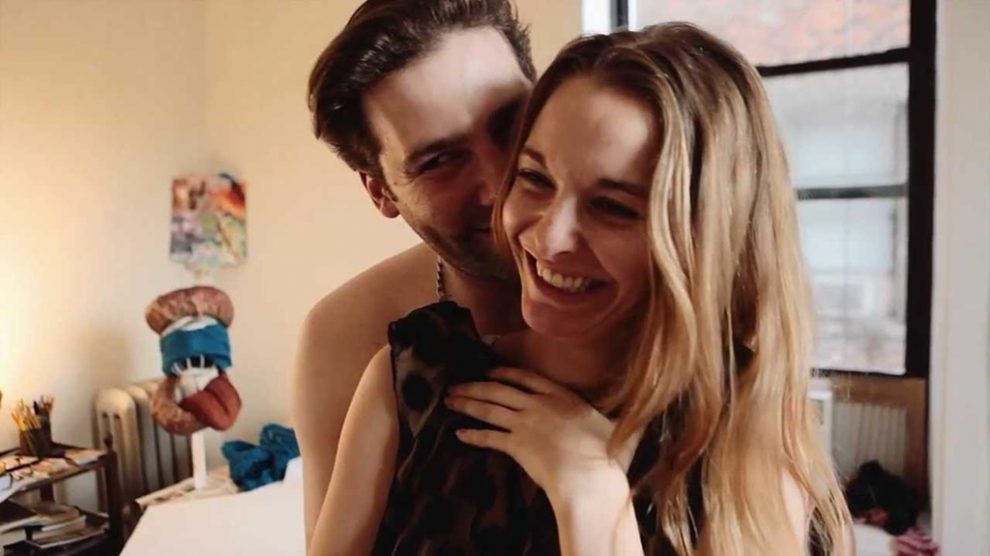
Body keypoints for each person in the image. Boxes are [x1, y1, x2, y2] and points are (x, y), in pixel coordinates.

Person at [311, 22, 852, 555]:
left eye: (612, 207)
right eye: (535, 177)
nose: (547, 237)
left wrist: (591, 503)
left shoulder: (741, 445)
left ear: (703, 236)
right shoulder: (409, 378)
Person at [293, 0, 536, 547]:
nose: (499, 185)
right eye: (439, 160)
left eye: (511, 126)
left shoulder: (669, 296)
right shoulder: (346, 337)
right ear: (381, 191)